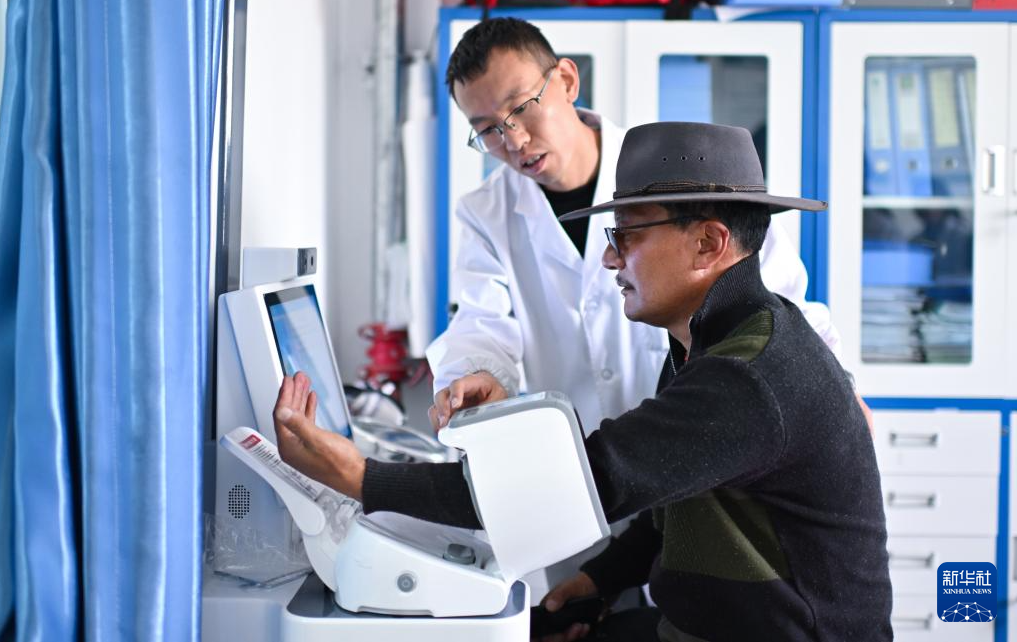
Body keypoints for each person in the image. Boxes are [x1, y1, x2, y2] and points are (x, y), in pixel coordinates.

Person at [271, 121, 892, 642]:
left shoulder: (746, 373)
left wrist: (359, 478)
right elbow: (676, 498)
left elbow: (561, 491)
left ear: (708, 243)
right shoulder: (711, 341)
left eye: (627, 236)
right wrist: (599, 581)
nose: (610, 258)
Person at [426, 17, 850, 435]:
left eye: (521, 108)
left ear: (567, 81)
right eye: (489, 130)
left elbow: (777, 303)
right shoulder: (485, 213)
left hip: (702, 436)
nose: (514, 140)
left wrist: (838, 393)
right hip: (582, 454)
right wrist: (478, 374)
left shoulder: (677, 169)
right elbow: (479, 322)